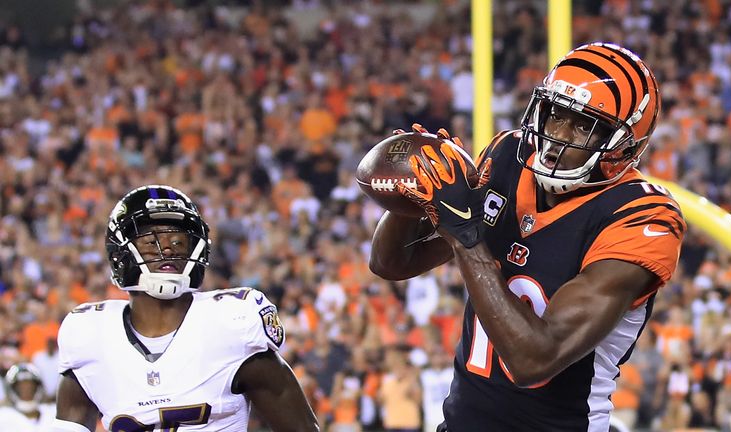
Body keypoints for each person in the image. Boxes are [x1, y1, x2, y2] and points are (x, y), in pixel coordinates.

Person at [369, 42, 686, 431]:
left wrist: (464, 234)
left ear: (625, 143)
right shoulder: (507, 155)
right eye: (555, 114)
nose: (557, 136)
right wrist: (419, 190)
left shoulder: (641, 216)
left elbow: (534, 361)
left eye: (584, 125)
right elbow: (390, 262)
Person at [53, 185, 319, 432]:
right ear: (120, 253)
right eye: (151, 240)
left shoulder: (232, 323)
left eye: (178, 241)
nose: (168, 248)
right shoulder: (89, 336)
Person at [0, 363, 55, 431]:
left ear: (38, 387)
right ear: (12, 389)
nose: (26, 391)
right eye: (21, 387)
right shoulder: (4, 416)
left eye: (30, 387)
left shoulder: (53, 413)